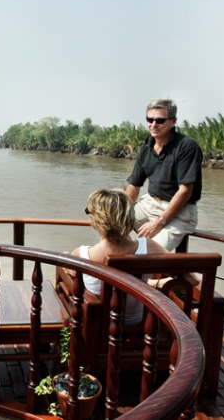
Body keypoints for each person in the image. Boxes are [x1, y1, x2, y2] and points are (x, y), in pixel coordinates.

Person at [71, 188, 167, 325]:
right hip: (137, 324)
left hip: (99, 327)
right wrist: (152, 283)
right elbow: (190, 279)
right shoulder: (148, 247)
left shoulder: (82, 254)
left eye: (88, 211)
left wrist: (66, 256)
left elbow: (70, 274)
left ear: (95, 219)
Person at [125, 98, 202, 251]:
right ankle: (125, 253)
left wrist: (159, 222)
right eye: (150, 120)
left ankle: (139, 257)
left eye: (160, 120)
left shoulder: (187, 146)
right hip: (149, 204)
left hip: (179, 212)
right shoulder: (146, 148)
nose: (154, 124)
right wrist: (121, 210)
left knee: (148, 254)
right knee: (109, 221)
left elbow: (185, 191)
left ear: (173, 121)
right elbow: (134, 186)